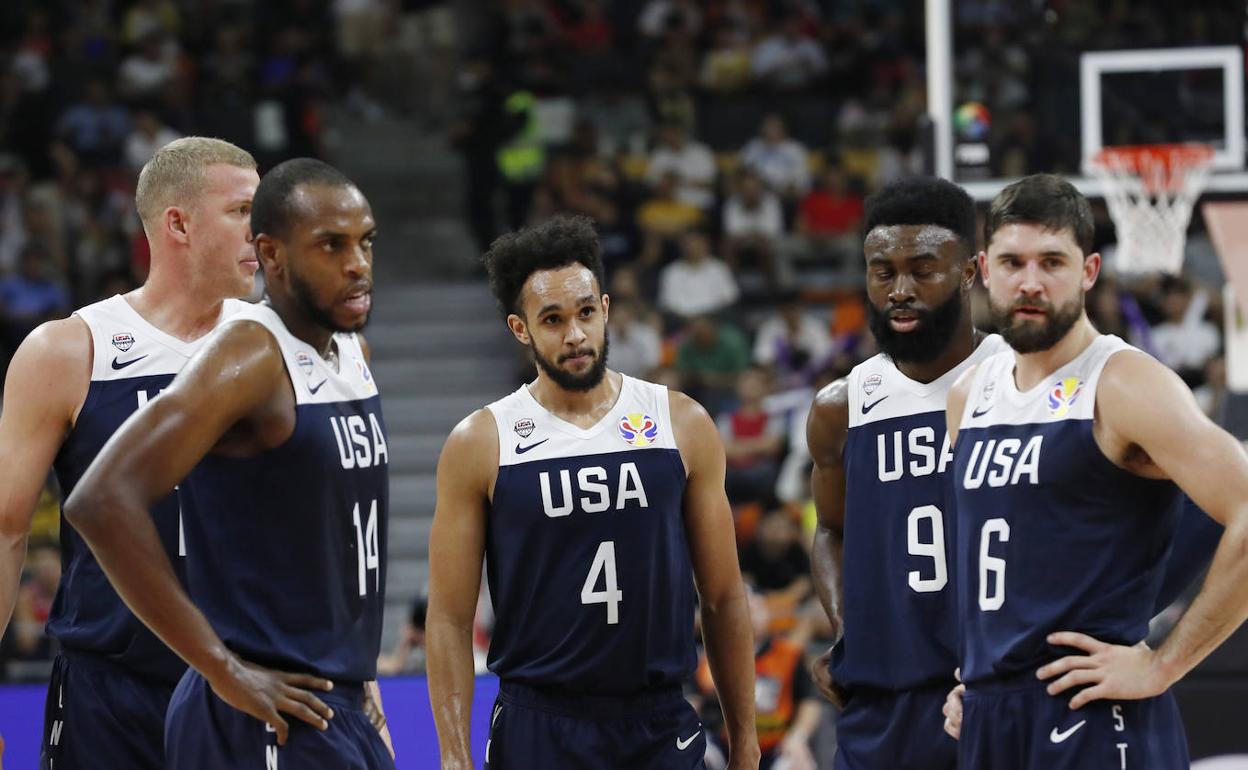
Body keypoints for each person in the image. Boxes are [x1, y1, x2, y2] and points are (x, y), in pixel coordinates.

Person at [60, 158, 395, 768]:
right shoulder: (251, 355)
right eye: (331, 246)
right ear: (272, 255)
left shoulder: (352, 353)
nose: (358, 264)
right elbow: (100, 500)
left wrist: (363, 691)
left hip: (335, 699)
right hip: (267, 714)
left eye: (365, 242)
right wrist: (220, 668)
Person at [427, 214, 760, 770]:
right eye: (552, 319)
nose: (576, 335)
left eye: (585, 313)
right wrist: (455, 760)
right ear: (520, 329)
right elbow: (449, 621)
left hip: (658, 720)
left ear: (606, 309)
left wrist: (745, 741)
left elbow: (723, 596)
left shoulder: (680, 422)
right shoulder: (482, 441)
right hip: (541, 722)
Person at [945, 173, 1248, 769]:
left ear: (1088, 271)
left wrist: (1164, 663)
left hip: (1091, 712)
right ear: (983, 269)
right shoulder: (969, 392)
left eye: (1052, 261)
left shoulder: (1126, 383)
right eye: (1013, 262)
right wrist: (974, 674)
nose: (1030, 281)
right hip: (991, 715)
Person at [0, 136, 259, 770]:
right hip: (107, 693)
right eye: (243, 212)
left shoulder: (280, 348)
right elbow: (5, 530)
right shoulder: (67, 351)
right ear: (179, 224)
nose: (266, 229)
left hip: (249, 686)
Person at [806, 176, 1007, 769]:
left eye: (923, 270)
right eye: (883, 271)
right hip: (883, 705)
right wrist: (846, 630)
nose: (900, 289)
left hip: (995, 693)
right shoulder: (842, 406)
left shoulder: (1017, 379)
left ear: (969, 272)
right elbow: (830, 531)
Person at [693, 591, 821, 770]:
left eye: (756, 610)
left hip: (775, 744)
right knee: (692, 754)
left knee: (799, 764)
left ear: (768, 614)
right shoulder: (713, 655)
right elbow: (694, 701)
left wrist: (798, 737)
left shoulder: (789, 654)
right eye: (744, 610)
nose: (750, 617)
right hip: (722, 744)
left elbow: (810, 702)